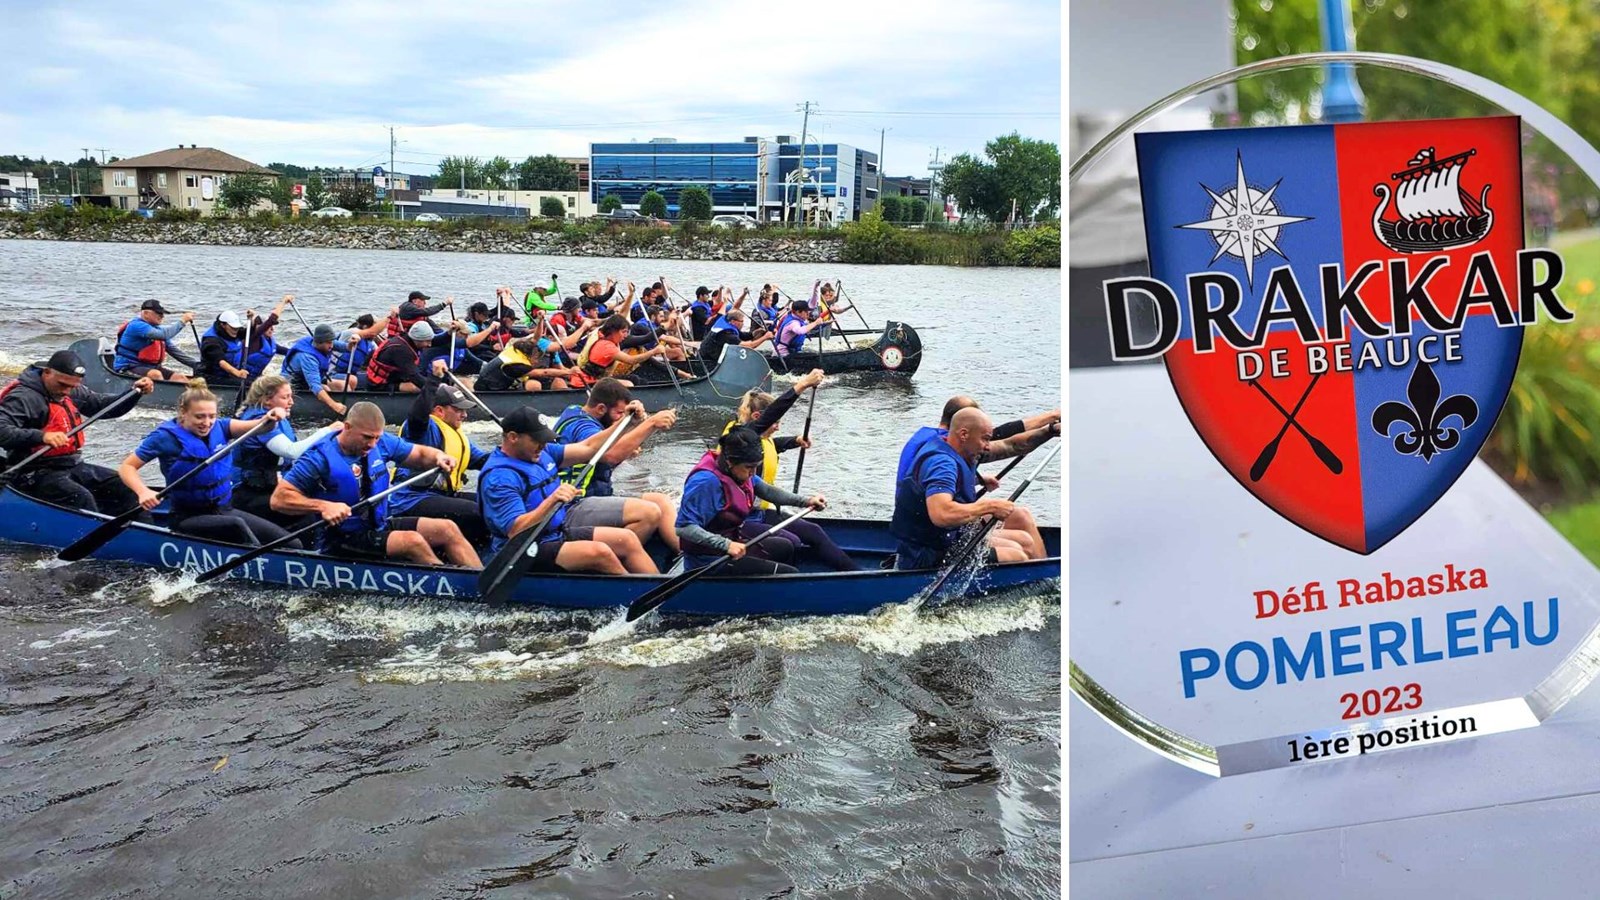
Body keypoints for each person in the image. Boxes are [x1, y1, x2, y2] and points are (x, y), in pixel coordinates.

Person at [273, 401, 481, 566]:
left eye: (376, 438)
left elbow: (418, 453)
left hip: (378, 525)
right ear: (347, 427)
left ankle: (478, 579)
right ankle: (452, 588)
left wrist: (438, 456)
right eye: (366, 437)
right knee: (412, 541)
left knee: (447, 528)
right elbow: (279, 499)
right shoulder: (317, 458)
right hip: (343, 537)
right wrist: (323, 506)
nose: (372, 444)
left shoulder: (380, 442)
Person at [118, 379, 298, 547]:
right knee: (236, 525)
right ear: (183, 413)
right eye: (199, 417)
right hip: (187, 516)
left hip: (224, 509)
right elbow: (127, 467)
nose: (207, 423)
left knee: (292, 543)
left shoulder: (223, 426)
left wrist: (272, 416)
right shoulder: (164, 437)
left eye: (211, 416)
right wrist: (142, 491)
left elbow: (261, 426)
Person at [477, 408, 659, 573]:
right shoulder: (500, 478)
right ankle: (634, 595)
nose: (542, 445)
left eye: (543, 440)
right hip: (523, 549)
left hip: (555, 531)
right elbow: (515, 531)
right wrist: (552, 501)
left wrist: (624, 424)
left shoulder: (542, 451)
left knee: (626, 539)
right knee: (600, 551)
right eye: (536, 440)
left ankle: (661, 592)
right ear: (513, 437)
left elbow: (588, 447)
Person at [719, 369, 858, 570]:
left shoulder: (754, 440)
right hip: (739, 520)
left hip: (759, 512)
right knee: (789, 542)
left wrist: (794, 441)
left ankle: (854, 574)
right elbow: (775, 411)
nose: (777, 426)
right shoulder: (738, 438)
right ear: (758, 418)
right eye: (775, 423)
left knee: (814, 531)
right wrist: (802, 385)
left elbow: (770, 446)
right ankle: (786, 580)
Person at [891, 407, 1045, 571]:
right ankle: (1035, 585)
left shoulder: (950, 445)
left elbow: (1011, 445)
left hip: (949, 536)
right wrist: (991, 506)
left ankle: (1048, 577)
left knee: (1024, 538)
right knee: (1017, 556)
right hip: (926, 554)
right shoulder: (942, 464)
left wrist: (1049, 430)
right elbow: (941, 514)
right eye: (985, 439)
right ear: (963, 434)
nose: (987, 446)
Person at [0, 350, 153, 514]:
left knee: (124, 486)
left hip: (71, 465)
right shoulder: (23, 397)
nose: (67, 391)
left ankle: (139, 533)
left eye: (73, 386)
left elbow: (103, 407)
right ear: (47, 372)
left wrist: (133, 393)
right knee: (80, 497)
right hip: (33, 472)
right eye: (62, 385)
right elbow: (2, 431)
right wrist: (42, 436)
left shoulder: (72, 390)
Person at [676, 428, 831, 575]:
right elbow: (683, 528)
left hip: (732, 545)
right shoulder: (705, 482)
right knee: (790, 574)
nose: (753, 472)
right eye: (749, 467)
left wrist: (806, 501)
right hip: (708, 560)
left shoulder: (739, 471)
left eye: (756, 467)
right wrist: (726, 545)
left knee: (786, 546)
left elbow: (768, 491)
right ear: (730, 462)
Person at [551, 379, 681, 553]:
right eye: (620, 413)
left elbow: (604, 453)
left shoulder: (575, 411)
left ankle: (684, 555)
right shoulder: (583, 426)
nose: (622, 419)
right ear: (601, 409)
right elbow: (610, 455)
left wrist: (629, 434)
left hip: (597, 496)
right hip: (576, 502)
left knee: (661, 501)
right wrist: (651, 424)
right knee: (648, 512)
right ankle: (618, 558)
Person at [230, 375, 342, 526]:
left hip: (270, 486)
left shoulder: (279, 417)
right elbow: (291, 451)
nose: (291, 402)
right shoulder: (261, 421)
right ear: (267, 400)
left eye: (291, 396)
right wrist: (327, 430)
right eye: (285, 397)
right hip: (247, 493)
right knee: (310, 514)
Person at [390, 382, 492, 546]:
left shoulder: (456, 433)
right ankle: (472, 558)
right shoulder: (423, 429)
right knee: (476, 512)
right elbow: (417, 417)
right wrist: (432, 381)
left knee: (494, 503)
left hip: (443, 495)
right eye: (458, 410)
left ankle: (488, 550)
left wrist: (515, 454)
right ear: (439, 411)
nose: (464, 415)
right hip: (412, 499)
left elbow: (483, 461)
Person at [899, 397, 1061, 478]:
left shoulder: (925, 436)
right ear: (963, 428)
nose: (984, 444)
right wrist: (1050, 427)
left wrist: (977, 480)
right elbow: (1010, 445)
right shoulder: (952, 449)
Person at [573, 314, 669, 388]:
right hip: (586, 382)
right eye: (623, 332)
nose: (626, 335)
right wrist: (653, 352)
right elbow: (631, 360)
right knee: (629, 384)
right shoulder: (606, 346)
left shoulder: (611, 340)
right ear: (613, 331)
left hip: (599, 378)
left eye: (627, 332)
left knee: (634, 378)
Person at [114, 299, 196, 382]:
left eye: (162, 313)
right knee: (156, 375)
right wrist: (183, 321)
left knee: (180, 378)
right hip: (129, 366)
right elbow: (164, 335)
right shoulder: (137, 326)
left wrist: (197, 365)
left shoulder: (157, 329)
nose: (162, 316)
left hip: (152, 367)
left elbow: (175, 352)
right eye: (159, 313)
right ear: (146, 313)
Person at [368, 320, 458, 393]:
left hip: (396, 377)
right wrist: (436, 387)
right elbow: (415, 378)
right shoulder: (401, 351)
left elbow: (436, 341)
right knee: (415, 387)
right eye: (427, 341)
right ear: (417, 340)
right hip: (381, 384)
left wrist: (449, 333)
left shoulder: (411, 339)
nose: (430, 345)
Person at [282, 323, 351, 417]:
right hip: (295, 383)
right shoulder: (308, 358)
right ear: (319, 342)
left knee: (342, 385)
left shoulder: (326, 343)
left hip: (310, 377)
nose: (332, 345)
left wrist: (352, 343)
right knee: (325, 389)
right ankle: (329, 412)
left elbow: (346, 347)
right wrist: (334, 405)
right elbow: (316, 388)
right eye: (329, 343)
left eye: (332, 342)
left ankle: (347, 408)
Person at [476, 336, 578, 392]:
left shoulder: (515, 349)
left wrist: (541, 321)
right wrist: (568, 371)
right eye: (536, 358)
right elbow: (544, 372)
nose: (537, 362)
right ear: (529, 355)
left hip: (487, 380)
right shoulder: (519, 365)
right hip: (489, 389)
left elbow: (535, 338)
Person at [329, 313, 389, 390]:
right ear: (365, 327)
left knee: (379, 380)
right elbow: (372, 332)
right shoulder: (349, 333)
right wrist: (389, 317)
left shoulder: (371, 344)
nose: (378, 332)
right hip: (333, 374)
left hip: (353, 374)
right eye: (376, 326)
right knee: (352, 379)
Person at [197, 310, 253, 385]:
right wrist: (238, 373)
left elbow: (250, 332)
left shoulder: (234, 331)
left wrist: (251, 319)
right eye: (233, 328)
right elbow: (221, 362)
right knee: (247, 384)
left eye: (237, 328)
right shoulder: (211, 341)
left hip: (229, 374)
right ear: (223, 325)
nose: (235, 331)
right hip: (211, 376)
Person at [698, 307, 770, 365]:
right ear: (733, 321)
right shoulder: (726, 334)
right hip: (707, 360)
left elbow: (745, 336)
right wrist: (765, 337)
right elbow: (749, 346)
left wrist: (758, 331)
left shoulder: (726, 321)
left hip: (711, 354)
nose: (743, 324)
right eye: (741, 321)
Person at [243, 296, 292, 378]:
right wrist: (283, 302)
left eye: (273, 327)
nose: (272, 329)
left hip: (256, 377)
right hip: (243, 378)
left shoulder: (269, 341)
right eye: (269, 327)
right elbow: (272, 319)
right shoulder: (252, 338)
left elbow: (287, 351)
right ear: (259, 327)